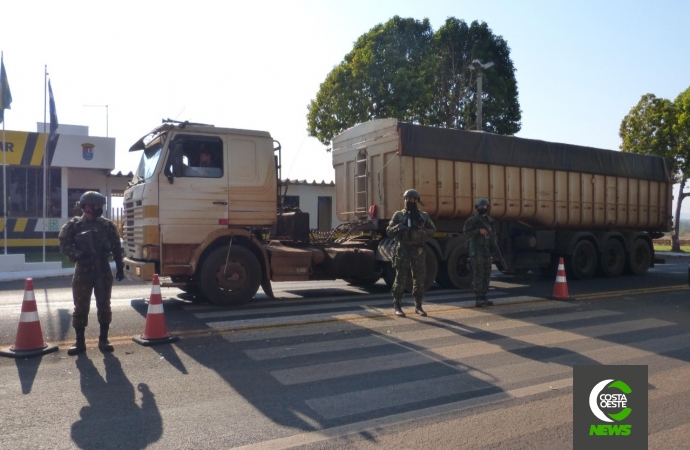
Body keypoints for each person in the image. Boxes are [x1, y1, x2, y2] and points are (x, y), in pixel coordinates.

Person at [59, 191, 125, 355]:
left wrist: (120, 266)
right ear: (86, 207)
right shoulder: (74, 225)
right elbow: (64, 244)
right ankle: (79, 342)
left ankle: (104, 339)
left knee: (104, 306)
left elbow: (117, 246)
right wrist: (79, 255)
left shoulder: (108, 226)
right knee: (80, 307)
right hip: (83, 272)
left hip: (102, 270)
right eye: (96, 206)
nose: (99, 208)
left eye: (100, 206)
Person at [386, 189, 436, 317]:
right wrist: (398, 228)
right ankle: (397, 305)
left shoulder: (423, 216)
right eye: (407, 199)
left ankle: (418, 305)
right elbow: (389, 231)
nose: (409, 201)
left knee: (419, 279)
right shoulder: (399, 215)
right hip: (403, 249)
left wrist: (424, 231)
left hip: (418, 250)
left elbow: (433, 229)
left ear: (417, 201)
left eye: (412, 199)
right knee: (400, 278)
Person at [464, 198, 495, 307]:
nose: (483, 209)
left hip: (486, 250)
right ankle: (478, 297)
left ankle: (484, 296)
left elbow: (493, 235)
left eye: (485, 207)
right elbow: (466, 233)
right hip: (476, 251)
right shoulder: (472, 221)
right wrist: (478, 231)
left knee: (487, 273)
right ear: (477, 208)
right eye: (481, 207)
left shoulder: (490, 221)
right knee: (478, 273)